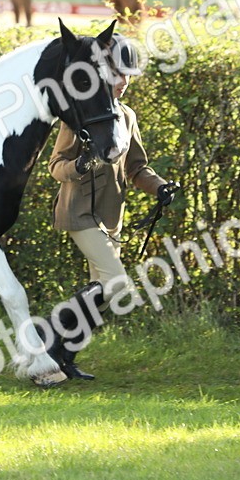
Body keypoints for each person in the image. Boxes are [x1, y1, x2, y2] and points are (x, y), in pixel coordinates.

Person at [48, 38, 178, 339]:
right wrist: (79, 166)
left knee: (102, 296)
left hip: (110, 217)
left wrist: (159, 188)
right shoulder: (78, 114)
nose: (125, 81)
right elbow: (56, 165)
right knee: (117, 283)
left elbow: (136, 168)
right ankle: (49, 334)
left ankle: (63, 354)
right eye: (119, 74)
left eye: (129, 75)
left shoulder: (127, 116)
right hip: (79, 212)